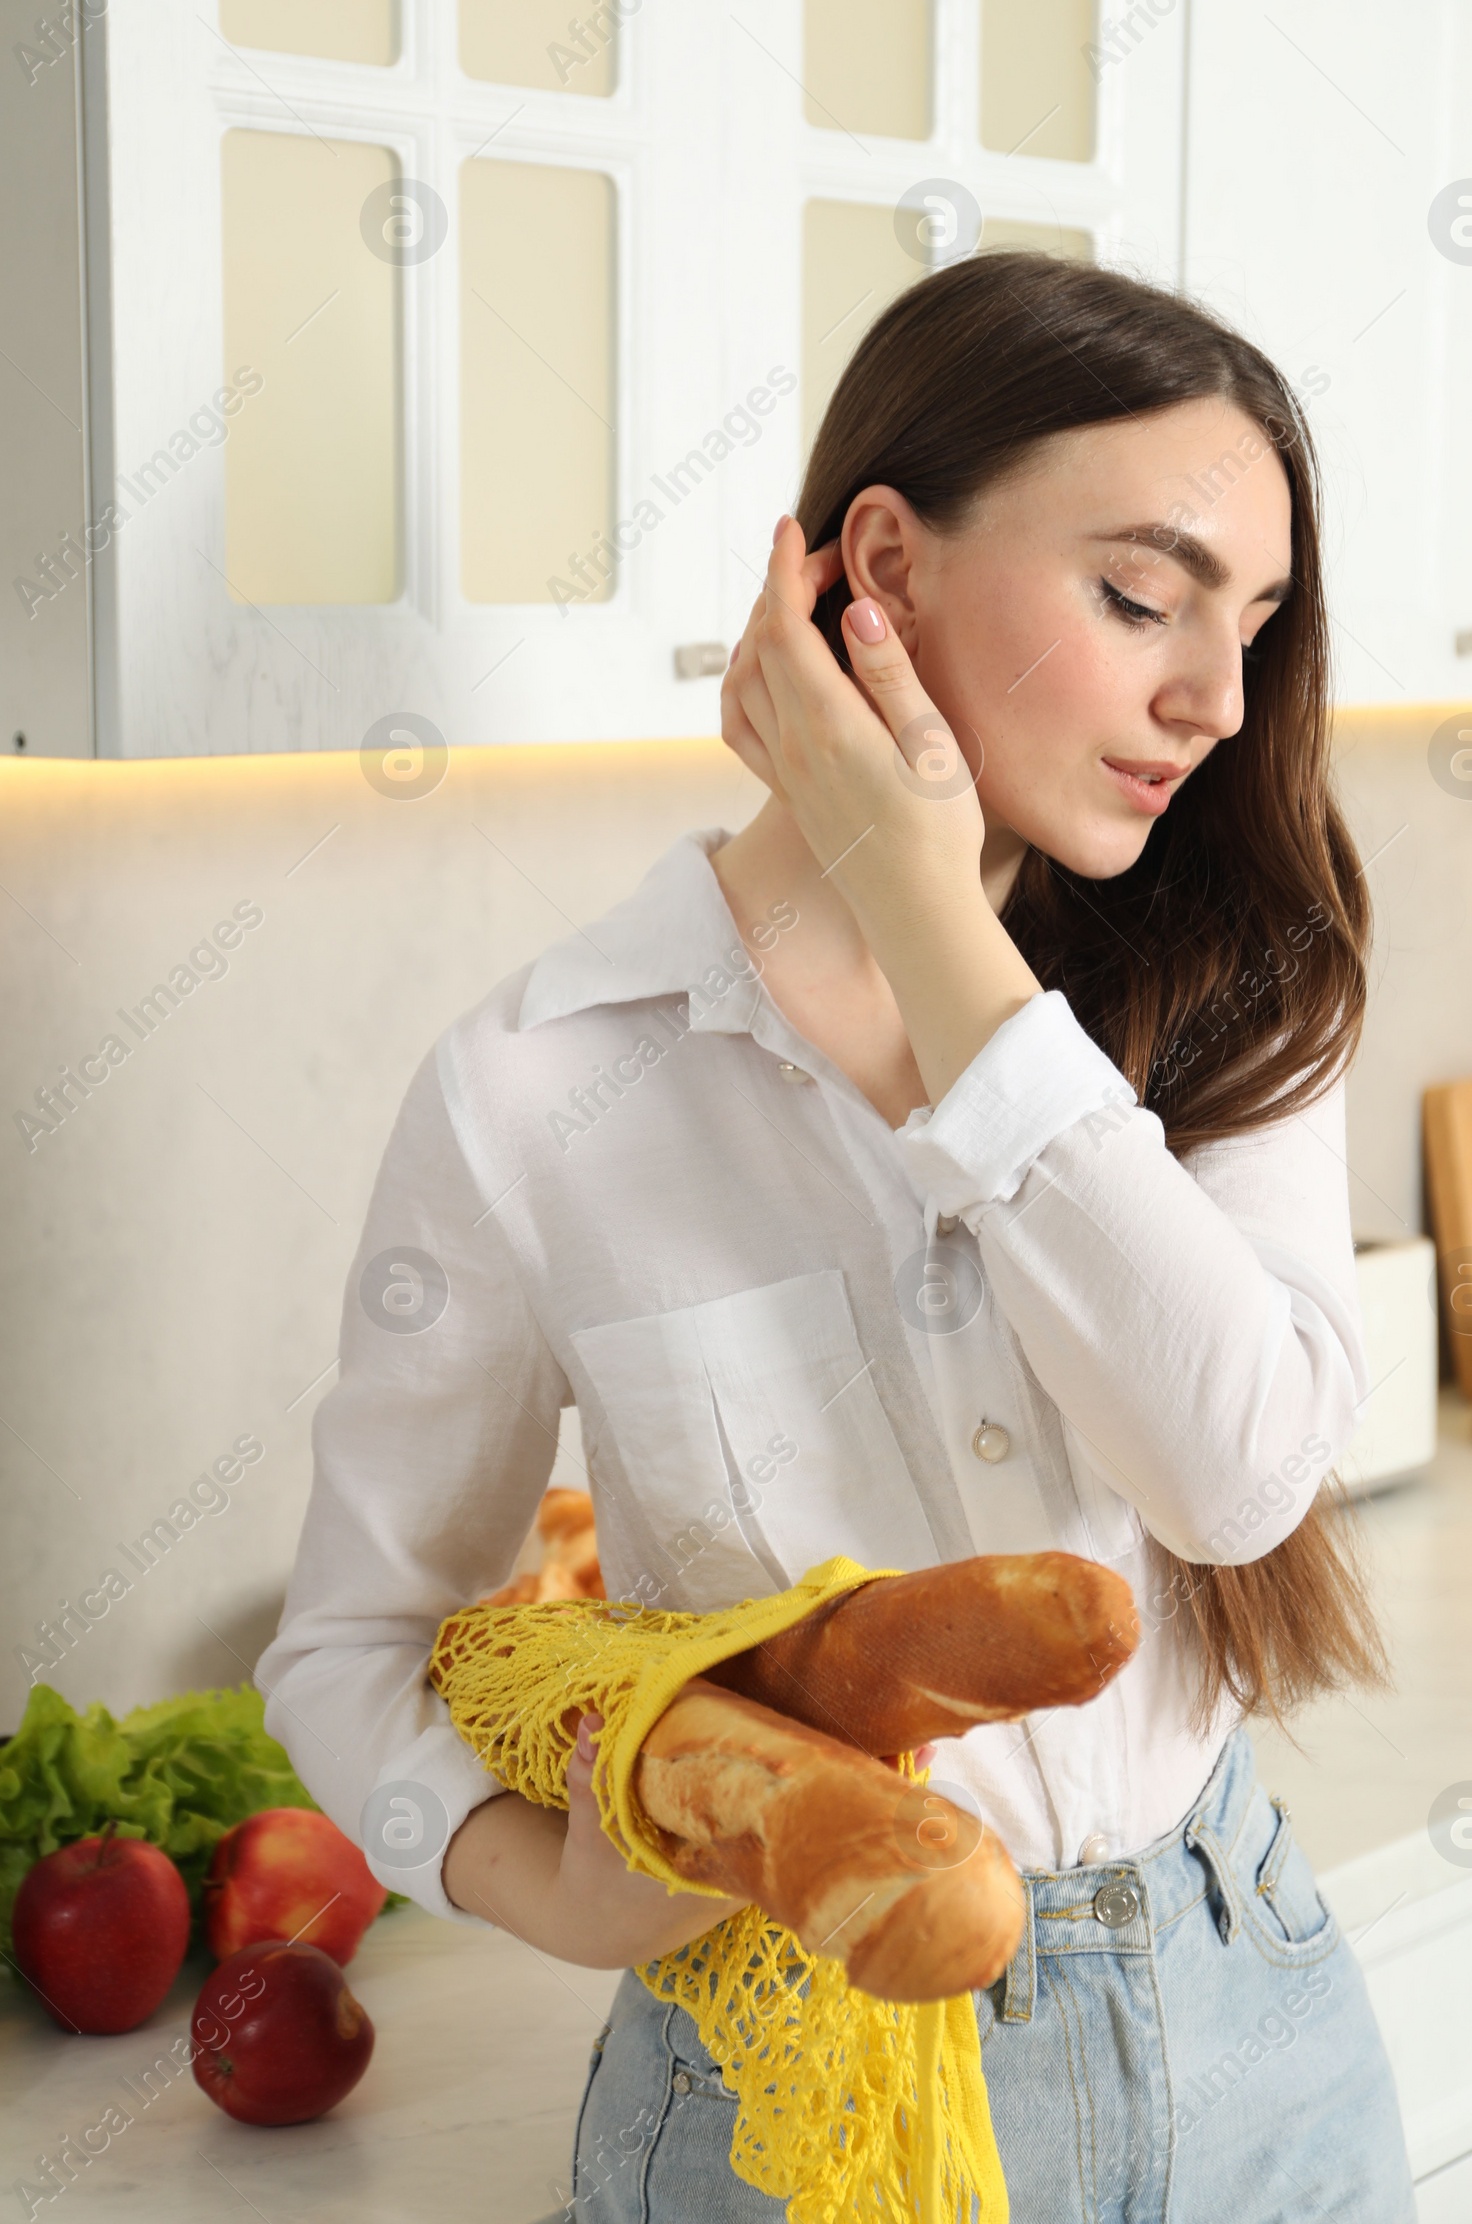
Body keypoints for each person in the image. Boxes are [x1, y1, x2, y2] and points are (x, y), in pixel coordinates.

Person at [258, 252, 1416, 2222]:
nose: (1213, 700)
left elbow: (1232, 1477)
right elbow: (350, 1650)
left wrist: (913, 896)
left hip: (1253, 2037)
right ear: (877, 566)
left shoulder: (1240, 987)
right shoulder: (536, 1090)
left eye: (1252, 624)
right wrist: (556, 1885)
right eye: (1139, 596)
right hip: (776, 2100)